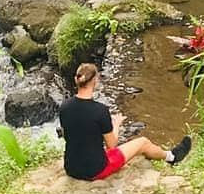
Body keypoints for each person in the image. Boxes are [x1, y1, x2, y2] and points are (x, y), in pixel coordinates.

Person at [59, 62, 192, 181]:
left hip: (71, 168)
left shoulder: (64, 107)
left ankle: (164, 155)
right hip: (95, 170)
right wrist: (116, 124)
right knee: (143, 142)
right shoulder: (100, 110)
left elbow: (68, 135)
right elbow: (112, 146)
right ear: (95, 81)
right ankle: (172, 157)